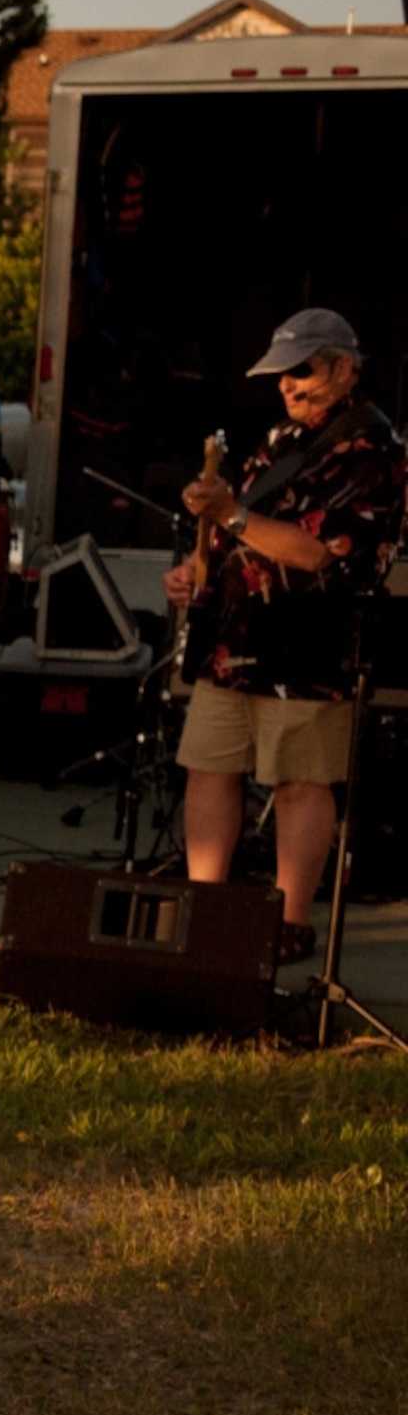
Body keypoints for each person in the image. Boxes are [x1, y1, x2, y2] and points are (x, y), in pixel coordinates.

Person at [165, 308, 404, 964]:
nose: (287, 386)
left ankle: (290, 924)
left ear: (344, 368)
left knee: (299, 783)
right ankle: (204, 912)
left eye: (301, 372)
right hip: (234, 640)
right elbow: (235, 527)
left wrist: (231, 515)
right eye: (280, 375)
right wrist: (194, 570)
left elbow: (317, 554)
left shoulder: (376, 449)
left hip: (311, 646)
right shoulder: (277, 439)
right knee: (209, 767)